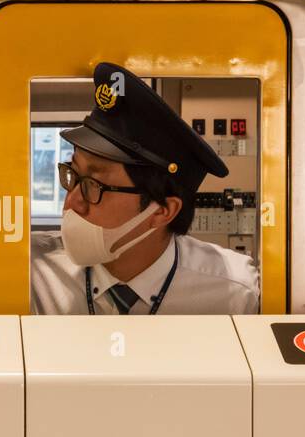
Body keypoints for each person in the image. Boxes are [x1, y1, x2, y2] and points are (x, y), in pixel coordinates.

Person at [31, 61, 259, 317]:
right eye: (72, 176)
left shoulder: (234, 293)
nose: (71, 203)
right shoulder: (31, 275)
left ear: (163, 210)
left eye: (93, 185)